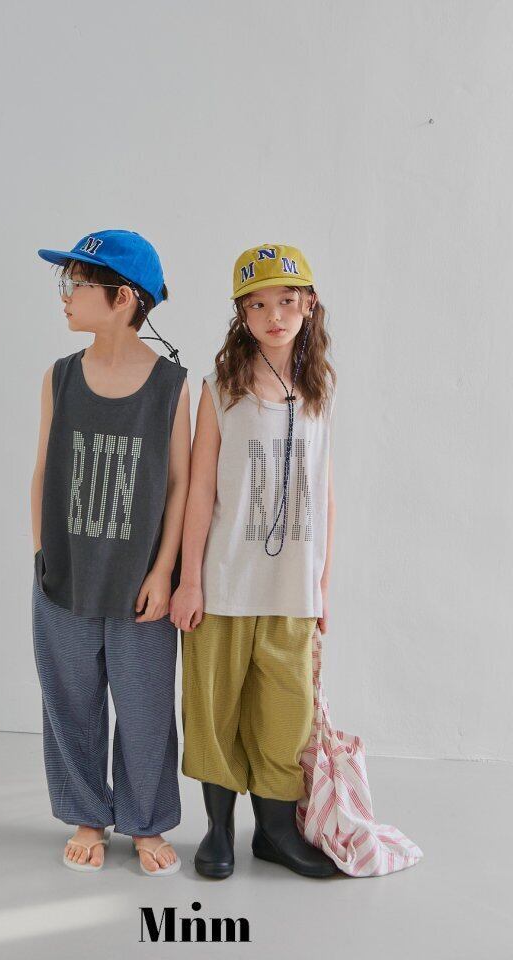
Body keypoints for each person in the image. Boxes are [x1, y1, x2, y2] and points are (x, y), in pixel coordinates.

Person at [170, 242, 339, 879]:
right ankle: (218, 829)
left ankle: (275, 831)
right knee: (214, 710)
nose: (275, 316)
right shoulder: (221, 390)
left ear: (309, 305)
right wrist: (189, 580)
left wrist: (323, 584)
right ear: (241, 313)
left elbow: (325, 489)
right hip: (223, 582)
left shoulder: (319, 390)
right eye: (259, 304)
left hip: (293, 586)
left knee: (286, 713)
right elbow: (200, 489)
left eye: (287, 301)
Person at [32, 230, 190, 875]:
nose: (65, 295)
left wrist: (163, 570)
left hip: (139, 585)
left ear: (123, 298)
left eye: (76, 283)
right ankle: (87, 816)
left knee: (146, 708)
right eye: (65, 282)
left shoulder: (172, 386)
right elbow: (42, 470)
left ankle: (146, 822)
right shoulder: (61, 376)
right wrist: (43, 554)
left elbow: (179, 484)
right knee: (70, 703)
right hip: (64, 577)